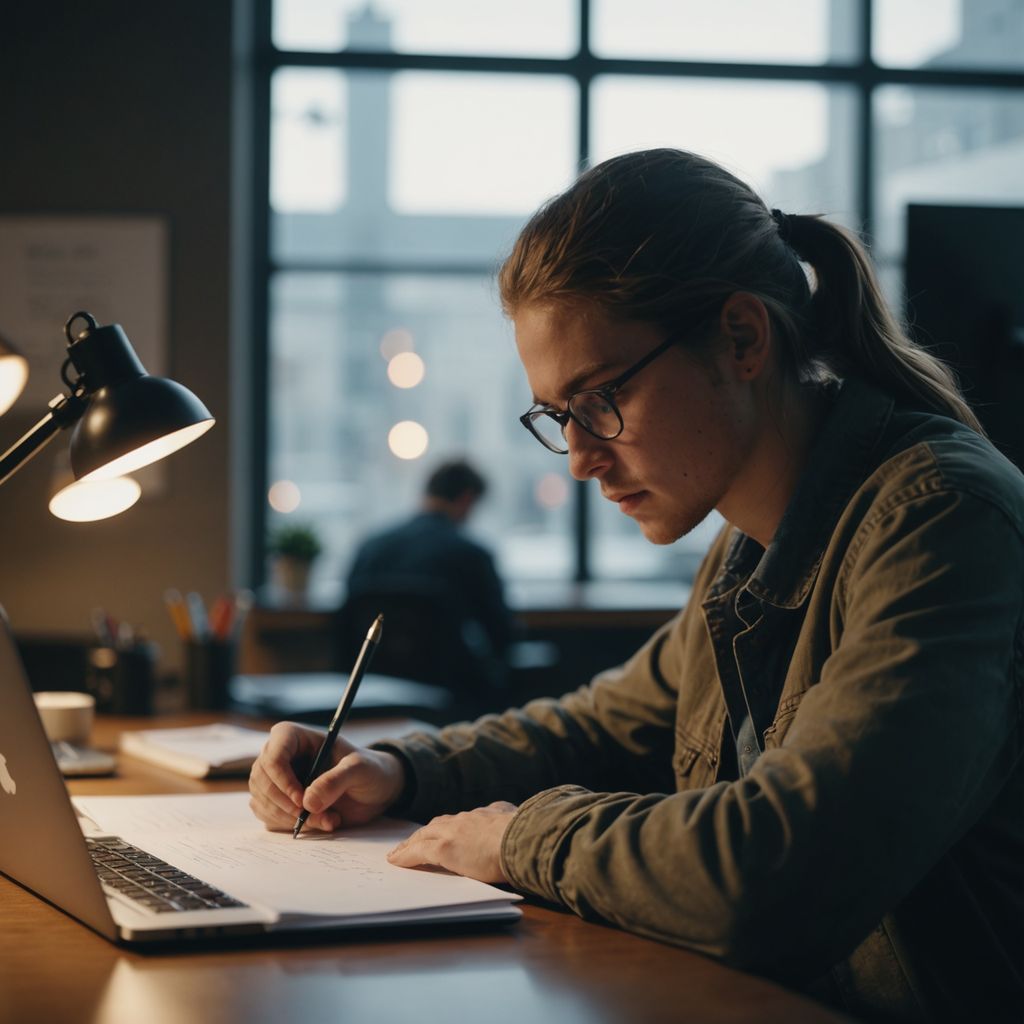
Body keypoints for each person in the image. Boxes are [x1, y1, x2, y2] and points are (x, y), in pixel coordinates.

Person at [250, 149, 1024, 1022]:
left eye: (601, 398)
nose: (579, 457)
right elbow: (599, 724)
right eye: (556, 416)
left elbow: (777, 873)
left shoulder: (940, 520)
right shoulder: (744, 544)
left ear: (740, 338)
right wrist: (396, 768)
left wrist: (519, 839)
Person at [345, 458, 513, 660]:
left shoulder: (371, 546)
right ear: (467, 498)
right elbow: (501, 631)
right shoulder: (470, 555)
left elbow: (348, 617)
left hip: (370, 675)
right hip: (448, 680)